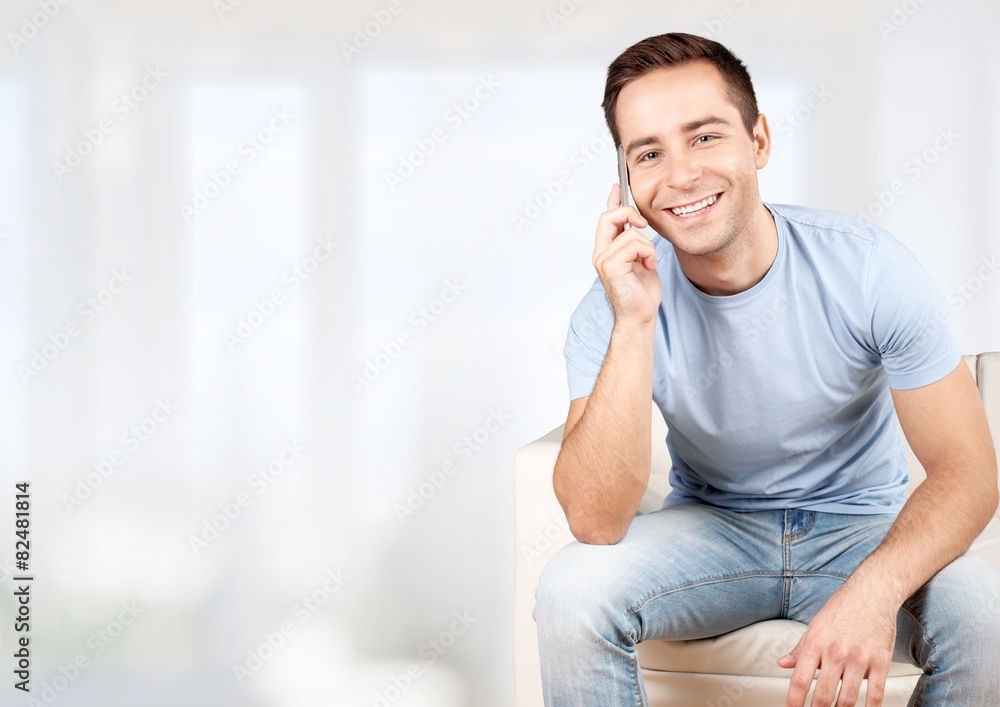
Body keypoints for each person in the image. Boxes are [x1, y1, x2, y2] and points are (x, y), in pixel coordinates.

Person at [533, 32, 1000, 707]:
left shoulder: (869, 270)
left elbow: (969, 471)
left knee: (982, 608)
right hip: (712, 531)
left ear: (759, 141)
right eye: (650, 153)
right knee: (571, 589)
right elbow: (595, 522)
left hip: (860, 525)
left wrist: (870, 593)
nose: (682, 175)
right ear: (627, 179)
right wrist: (633, 320)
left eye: (704, 137)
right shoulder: (608, 309)